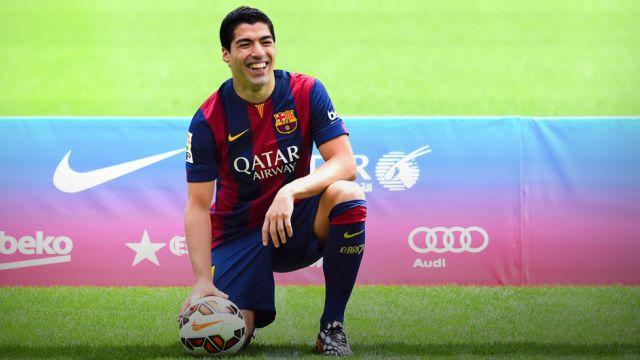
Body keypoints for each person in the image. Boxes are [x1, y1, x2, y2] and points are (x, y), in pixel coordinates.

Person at [179, 6, 366, 356]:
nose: (258, 53)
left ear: (275, 48)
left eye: (266, 42)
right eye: (245, 44)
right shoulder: (208, 120)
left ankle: (332, 327)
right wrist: (202, 279)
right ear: (227, 55)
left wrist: (290, 190)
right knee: (226, 340)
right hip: (239, 233)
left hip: (293, 224)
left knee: (348, 194)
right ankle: (246, 311)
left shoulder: (306, 91)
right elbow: (198, 205)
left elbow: (345, 163)